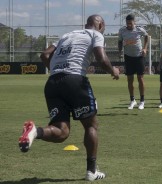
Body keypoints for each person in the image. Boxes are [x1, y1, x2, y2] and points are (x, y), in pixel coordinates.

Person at [18, 14, 120, 181]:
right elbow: (101, 58)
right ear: (100, 24)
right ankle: (91, 171)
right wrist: (113, 71)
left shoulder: (67, 35)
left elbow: (44, 55)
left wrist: (57, 70)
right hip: (75, 81)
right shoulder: (96, 35)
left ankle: (35, 132)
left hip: (52, 82)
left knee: (62, 132)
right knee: (91, 125)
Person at [118, 14, 149, 110]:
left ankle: (142, 101)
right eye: (127, 23)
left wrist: (145, 48)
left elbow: (147, 36)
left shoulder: (140, 30)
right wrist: (120, 51)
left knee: (140, 78)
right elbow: (119, 41)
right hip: (128, 57)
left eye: (130, 23)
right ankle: (132, 100)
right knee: (130, 79)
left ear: (134, 22)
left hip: (139, 57)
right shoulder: (122, 30)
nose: (129, 25)